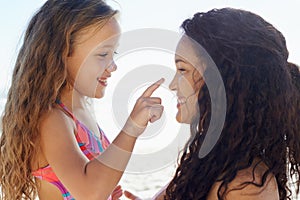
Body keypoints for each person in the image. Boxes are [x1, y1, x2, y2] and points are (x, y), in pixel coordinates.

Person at [125, 8, 300, 200]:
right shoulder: (209, 165)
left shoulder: (246, 186)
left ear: (223, 80)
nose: (173, 85)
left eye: (182, 69)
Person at [0, 0, 164, 200]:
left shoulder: (81, 113)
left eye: (114, 53)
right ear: (62, 53)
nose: (113, 66)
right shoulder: (52, 119)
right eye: (103, 54)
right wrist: (132, 127)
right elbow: (89, 192)